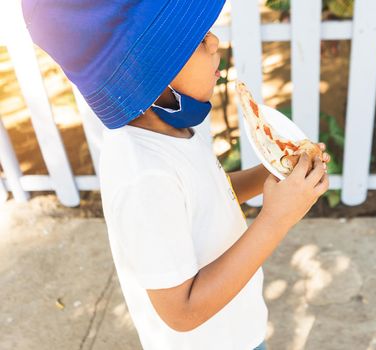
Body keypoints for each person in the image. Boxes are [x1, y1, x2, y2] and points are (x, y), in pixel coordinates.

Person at [21, 0, 330, 349]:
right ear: (149, 72)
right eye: (198, 40)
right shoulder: (144, 175)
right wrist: (276, 218)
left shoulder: (173, 130)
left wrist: (273, 173)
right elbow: (181, 312)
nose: (215, 42)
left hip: (237, 329)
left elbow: (204, 196)